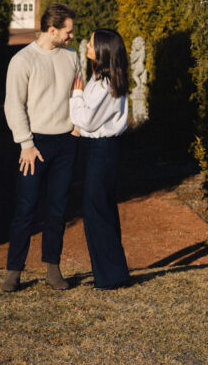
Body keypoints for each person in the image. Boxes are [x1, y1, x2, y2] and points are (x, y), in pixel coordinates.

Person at [2, 2, 81, 293]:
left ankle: (53, 270)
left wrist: (76, 128)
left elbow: (78, 92)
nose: (71, 37)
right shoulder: (23, 61)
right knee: (26, 208)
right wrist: (26, 144)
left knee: (57, 209)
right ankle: (13, 272)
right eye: (68, 32)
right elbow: (14, 105)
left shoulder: (71, 56)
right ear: (52, 30)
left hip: (65, 143)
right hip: (34, 145)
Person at [70, 28, 131, 290]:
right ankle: (109, 273)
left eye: (92, 44)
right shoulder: (100, 81)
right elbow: (88, 123)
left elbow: (86, 119)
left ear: (104, 51)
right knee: (98, 210)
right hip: (98, 149)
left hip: (104, 150)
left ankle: (111, 276)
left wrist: (75, 95)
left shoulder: (107, 86)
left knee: (98, 211)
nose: (87, 48)